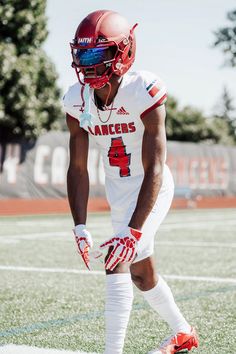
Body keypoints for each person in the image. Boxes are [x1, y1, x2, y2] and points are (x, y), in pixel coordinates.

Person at [64, 9, 199, 354]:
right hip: (119, 192)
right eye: (83, 54)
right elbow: (78, 167)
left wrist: (134, 230)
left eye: (96, 53)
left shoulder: (143, 90)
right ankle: (183, 332)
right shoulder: (76, 99)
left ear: (121, 53)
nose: (87, 63)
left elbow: (155, 166)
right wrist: (79, 225)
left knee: (116, 259)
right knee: (141, 274)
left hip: (151, 188)